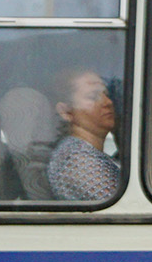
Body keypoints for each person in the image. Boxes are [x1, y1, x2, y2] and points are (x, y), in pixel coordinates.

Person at [46, 69, 121, 202]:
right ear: (66, 112)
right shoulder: (76, 159)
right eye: (93, 97)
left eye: (106, 95)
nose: (108, 102)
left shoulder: (89, 153)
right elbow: (121, 210)